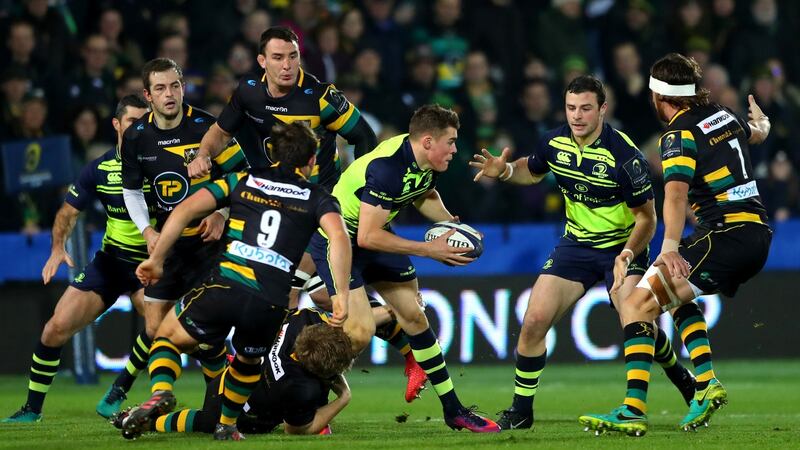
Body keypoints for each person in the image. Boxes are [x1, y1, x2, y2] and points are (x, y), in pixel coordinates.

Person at [186, 26, 426, 400]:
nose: (287, 66)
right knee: (320, 300)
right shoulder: (248, 92)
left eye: (293, 57)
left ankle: (297, 393)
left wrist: (349, 195)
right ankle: (404, 339)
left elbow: (364, 137)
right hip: (276, 203)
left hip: (316, 208)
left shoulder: (320, 97)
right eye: (278, 58)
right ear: (262, 61)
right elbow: (219, 132)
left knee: (289, 296)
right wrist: (203, 154)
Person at [469, 75, 696, 430]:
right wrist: (505, 171)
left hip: (623, 246)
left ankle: (667, 385)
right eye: (571, 108)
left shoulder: (625, 157)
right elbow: (531, 170)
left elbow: (647, 219)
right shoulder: (555, 141)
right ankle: (522, 410)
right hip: (575, 245)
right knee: (533, 321)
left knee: (636, 318)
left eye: (586, 108)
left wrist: (626, 254)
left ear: (602, 109)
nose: (577, 116)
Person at [579, 53, 772, 436]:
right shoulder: (722, 113)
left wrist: (668, 247)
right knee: (677, 295)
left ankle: (633, 408)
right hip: (755, 234)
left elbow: (676, 194)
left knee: (635, 304)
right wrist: (763, 121)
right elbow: (757, 133)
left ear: (658, 96)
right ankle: (706, 384)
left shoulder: (677, 133)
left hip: (725, 235)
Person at [122, 122, 353, 441]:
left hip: (226, 285)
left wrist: (156, 258)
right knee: (250, 359)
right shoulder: (319, 199)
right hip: (269, 300)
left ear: (272, 152)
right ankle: (227, 425)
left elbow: (185, 210)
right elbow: (339, 238)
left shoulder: (243, 180)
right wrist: (340, 292)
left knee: (167, 336)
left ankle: (161, 390)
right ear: (312, 160)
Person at [309, 104, 500, 433]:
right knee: (359, 332)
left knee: (414, 315)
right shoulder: (388, 169)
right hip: (338, 239)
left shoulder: (427, 161)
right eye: (451, 142)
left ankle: (454, 410)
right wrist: (429, 249)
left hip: (371, 236)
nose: (455, 149)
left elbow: (424, 192)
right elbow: (367, 236)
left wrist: (451, 225)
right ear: (428, 141)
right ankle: (307, 399)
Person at [2, 95, 149, 423]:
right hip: (111, 262)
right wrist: (57, 247)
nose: (138, 129)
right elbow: (67, 213)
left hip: (151, 265)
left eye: (143, 122)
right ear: (116, 125)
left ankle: (119, 389)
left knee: (159, 325)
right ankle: (32, 410)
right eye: (131, 122)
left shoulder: (162, 165)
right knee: (54, 328)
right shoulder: (100, 168)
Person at [116, 57, 249, 402]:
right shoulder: (136, 136)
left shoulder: (209, 128)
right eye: (160, 88)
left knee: (211, 332)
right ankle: (162, 397)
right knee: (156, 329)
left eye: (174, 85)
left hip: (210, 246)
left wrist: (221, 211)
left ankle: (215, 399)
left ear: (183, 87)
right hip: (169, 248)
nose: (169, 94)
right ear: (148, 95)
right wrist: (146, 231)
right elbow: (131, 191)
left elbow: (247, 180)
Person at [115, 305, 406, 439]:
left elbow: (349, 325)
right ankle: (154, 423)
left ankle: (201, 352)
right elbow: (297, 429)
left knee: (212, 366)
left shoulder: (302, 321)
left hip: (234, 371)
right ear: (325, 373)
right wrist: (344, 396)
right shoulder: (301, 389)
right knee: (204, 420)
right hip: (243, 415)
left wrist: (392, 312)